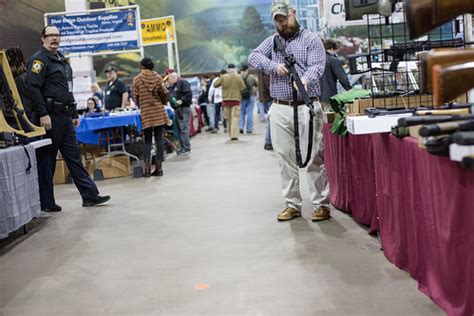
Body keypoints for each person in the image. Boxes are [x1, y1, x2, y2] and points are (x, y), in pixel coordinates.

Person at [248, 0, 330, 222]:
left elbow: (317, 66)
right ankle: (292, 204)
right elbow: (253, 56)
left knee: (313, 157)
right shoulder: (273, 42)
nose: (282, 23)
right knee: (284, 158)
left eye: (285, 18)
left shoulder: (311, 39)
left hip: (307, 105)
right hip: (280, 107)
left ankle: (321, 204)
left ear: (293, 13)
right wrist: (273, 67)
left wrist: (303, 79)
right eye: (278, 20)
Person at [26, 25, 110, 211]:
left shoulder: (62, 60)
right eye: (50, 35)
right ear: (43, 38)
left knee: (74, 158)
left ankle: (90, 195)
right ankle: (46, 203)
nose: (54, 38)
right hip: (49, 117)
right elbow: (32, 88)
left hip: (64, 118)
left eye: (57, 35)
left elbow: (67, 89)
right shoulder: (39, 60)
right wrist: (43, 113)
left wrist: (73, 113)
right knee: (47, 161)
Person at [132, 57, 169, 177]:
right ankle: (159, 169)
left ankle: (146, 170)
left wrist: (141, 104)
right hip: (158, 111)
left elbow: (135, 96)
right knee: (159, 140)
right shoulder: (158, 78)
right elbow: (165, 92)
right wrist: (162, 102)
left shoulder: (137, 80)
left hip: (146, 113)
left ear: (142, 66)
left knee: (147, 141)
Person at [213, 64, 245, 141]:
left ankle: (230, 134)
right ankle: (234, 135)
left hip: (226, 99)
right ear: (234, 69)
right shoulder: (238, 77)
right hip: (236, 99)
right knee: (235, 117)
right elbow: (243, 87)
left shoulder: (223, 77)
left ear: (227, 69)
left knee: (228, 118)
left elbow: (215, 84)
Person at [320, 38, 351, 109]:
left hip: (317, 98)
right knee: (330, 118)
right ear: (332, 48)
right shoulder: (333, 60)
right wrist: (350, 90)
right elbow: (343, 79)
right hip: (329, 97)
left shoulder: (317, 59)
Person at [168, 72, 193, 155]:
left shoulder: (183, 82)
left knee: (184, 128)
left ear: (174, 77)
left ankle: (186, 147)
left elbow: (189, 94)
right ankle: (183, 146)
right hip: (177, 109)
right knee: (179, 129)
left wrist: (182, 100)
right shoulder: (172, 86)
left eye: (169, 78)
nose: (168, 80)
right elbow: (170, 96)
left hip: (184, 108)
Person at [239, 64, 258, 134]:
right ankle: (249, 128)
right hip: (251, 96)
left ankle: (241, 127)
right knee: (249, 113)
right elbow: (257, 85)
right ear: (247, 70)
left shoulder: (239, 77)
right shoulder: (251, 77)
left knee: (241, 112)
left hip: (241, 97)